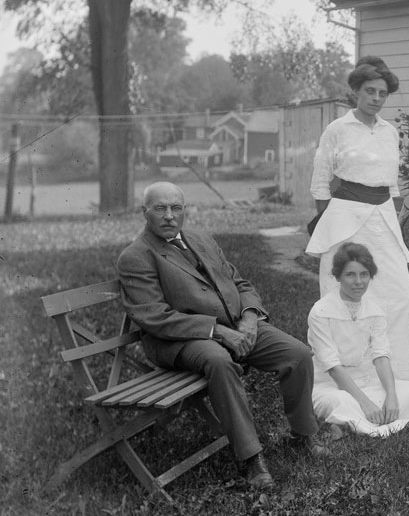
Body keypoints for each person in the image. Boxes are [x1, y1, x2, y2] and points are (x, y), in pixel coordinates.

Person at [117, 182, 326, 491]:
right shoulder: (136, 256)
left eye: (177, 208)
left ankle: (303, 435)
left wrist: (251, 319)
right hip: (180, 341)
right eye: (160, 209)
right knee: (219, 361)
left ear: (185, 211)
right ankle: (251, 460)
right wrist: (218, 332)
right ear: (144, 212)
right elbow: (156, 318)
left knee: (297, 354)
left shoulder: (201, 239)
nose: (170, 216)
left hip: (236, 326)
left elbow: (240, 283)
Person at [305, 56, 409, 380]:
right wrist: (330, 224)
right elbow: (320, 182)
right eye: (370, 91)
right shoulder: (337, 129)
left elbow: (392, 182)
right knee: (342, 294)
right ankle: (342, 377)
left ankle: (394, 377)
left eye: (382, 93)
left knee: (396, 295)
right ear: (355, 91)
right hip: (345, 216)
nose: (376, 98)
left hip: (382, 218)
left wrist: (392, 216)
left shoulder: (390, 132)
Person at [308, 242, 409, 437]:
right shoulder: (321, 312)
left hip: (368, 380)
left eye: (364, 274)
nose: (358, 281)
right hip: (331, 384)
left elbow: (381, 356)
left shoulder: (374, 311)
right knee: (341, 402)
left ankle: (360, 421)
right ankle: (362, 418)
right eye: (350, 274)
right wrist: (364, 402)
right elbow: (331, 366)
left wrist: (391, 397)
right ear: (338, 276)